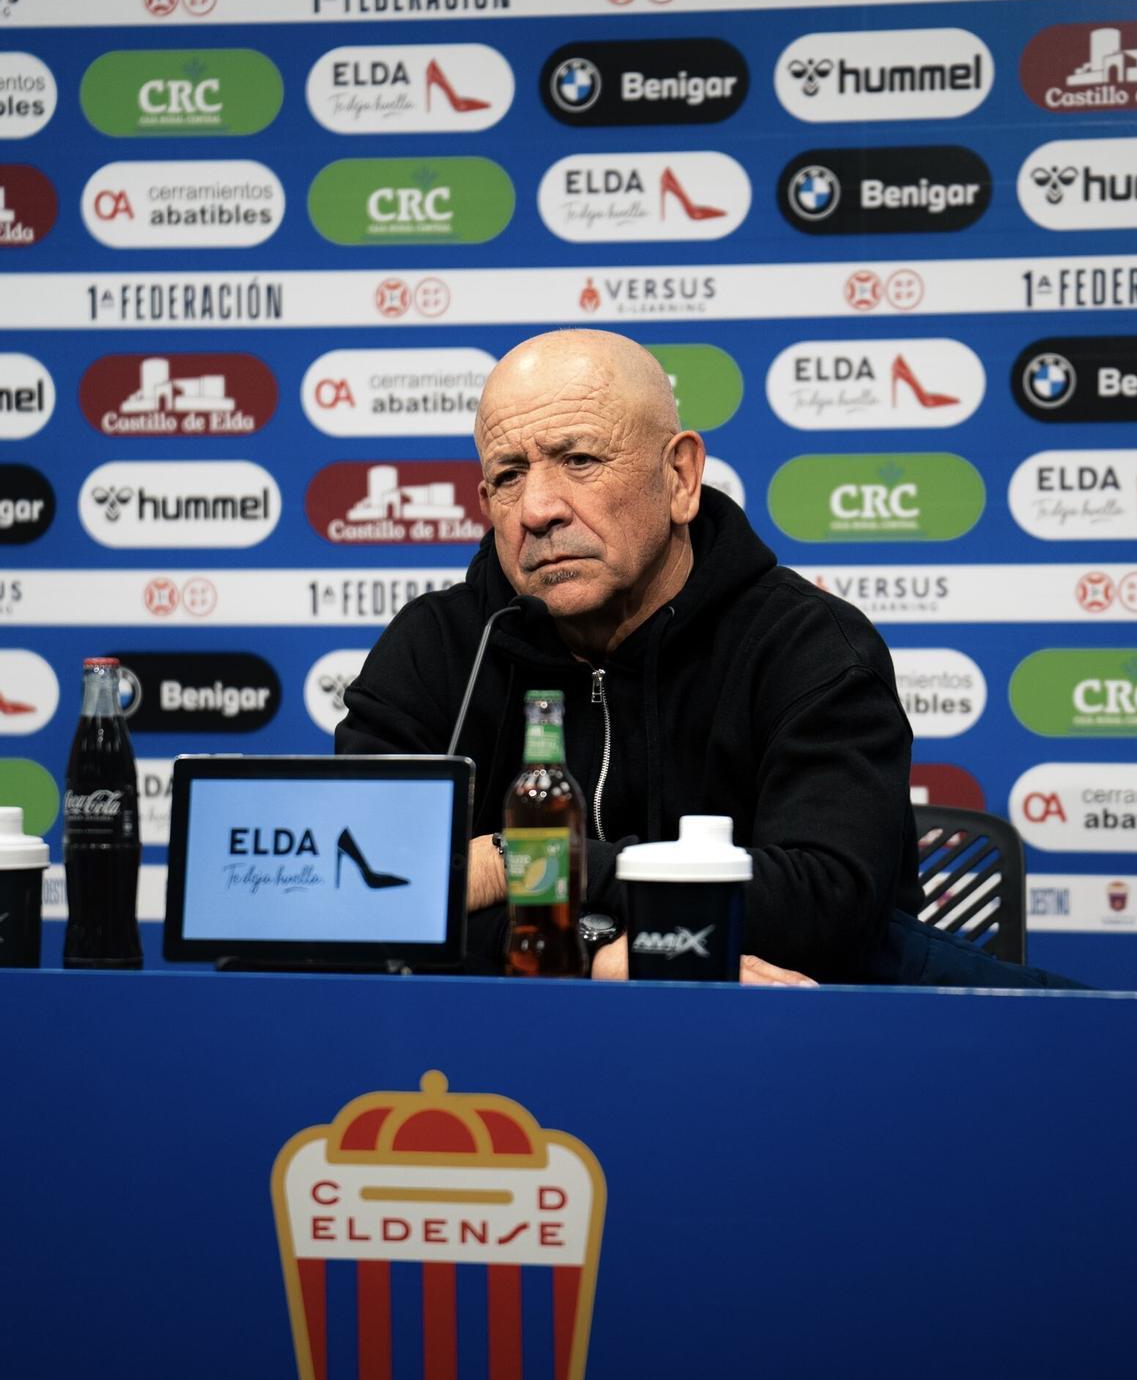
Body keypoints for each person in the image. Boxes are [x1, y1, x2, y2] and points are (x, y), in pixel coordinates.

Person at [337, 329, 1081, 990]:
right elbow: (347, 896)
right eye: (507, 475)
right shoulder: (436, 649)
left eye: (578, 459)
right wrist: (596, 955)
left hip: (780, 1057)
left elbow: (827, 908)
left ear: (681, 478)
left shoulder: (806, 643)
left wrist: (519, 862)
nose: (537, 508)